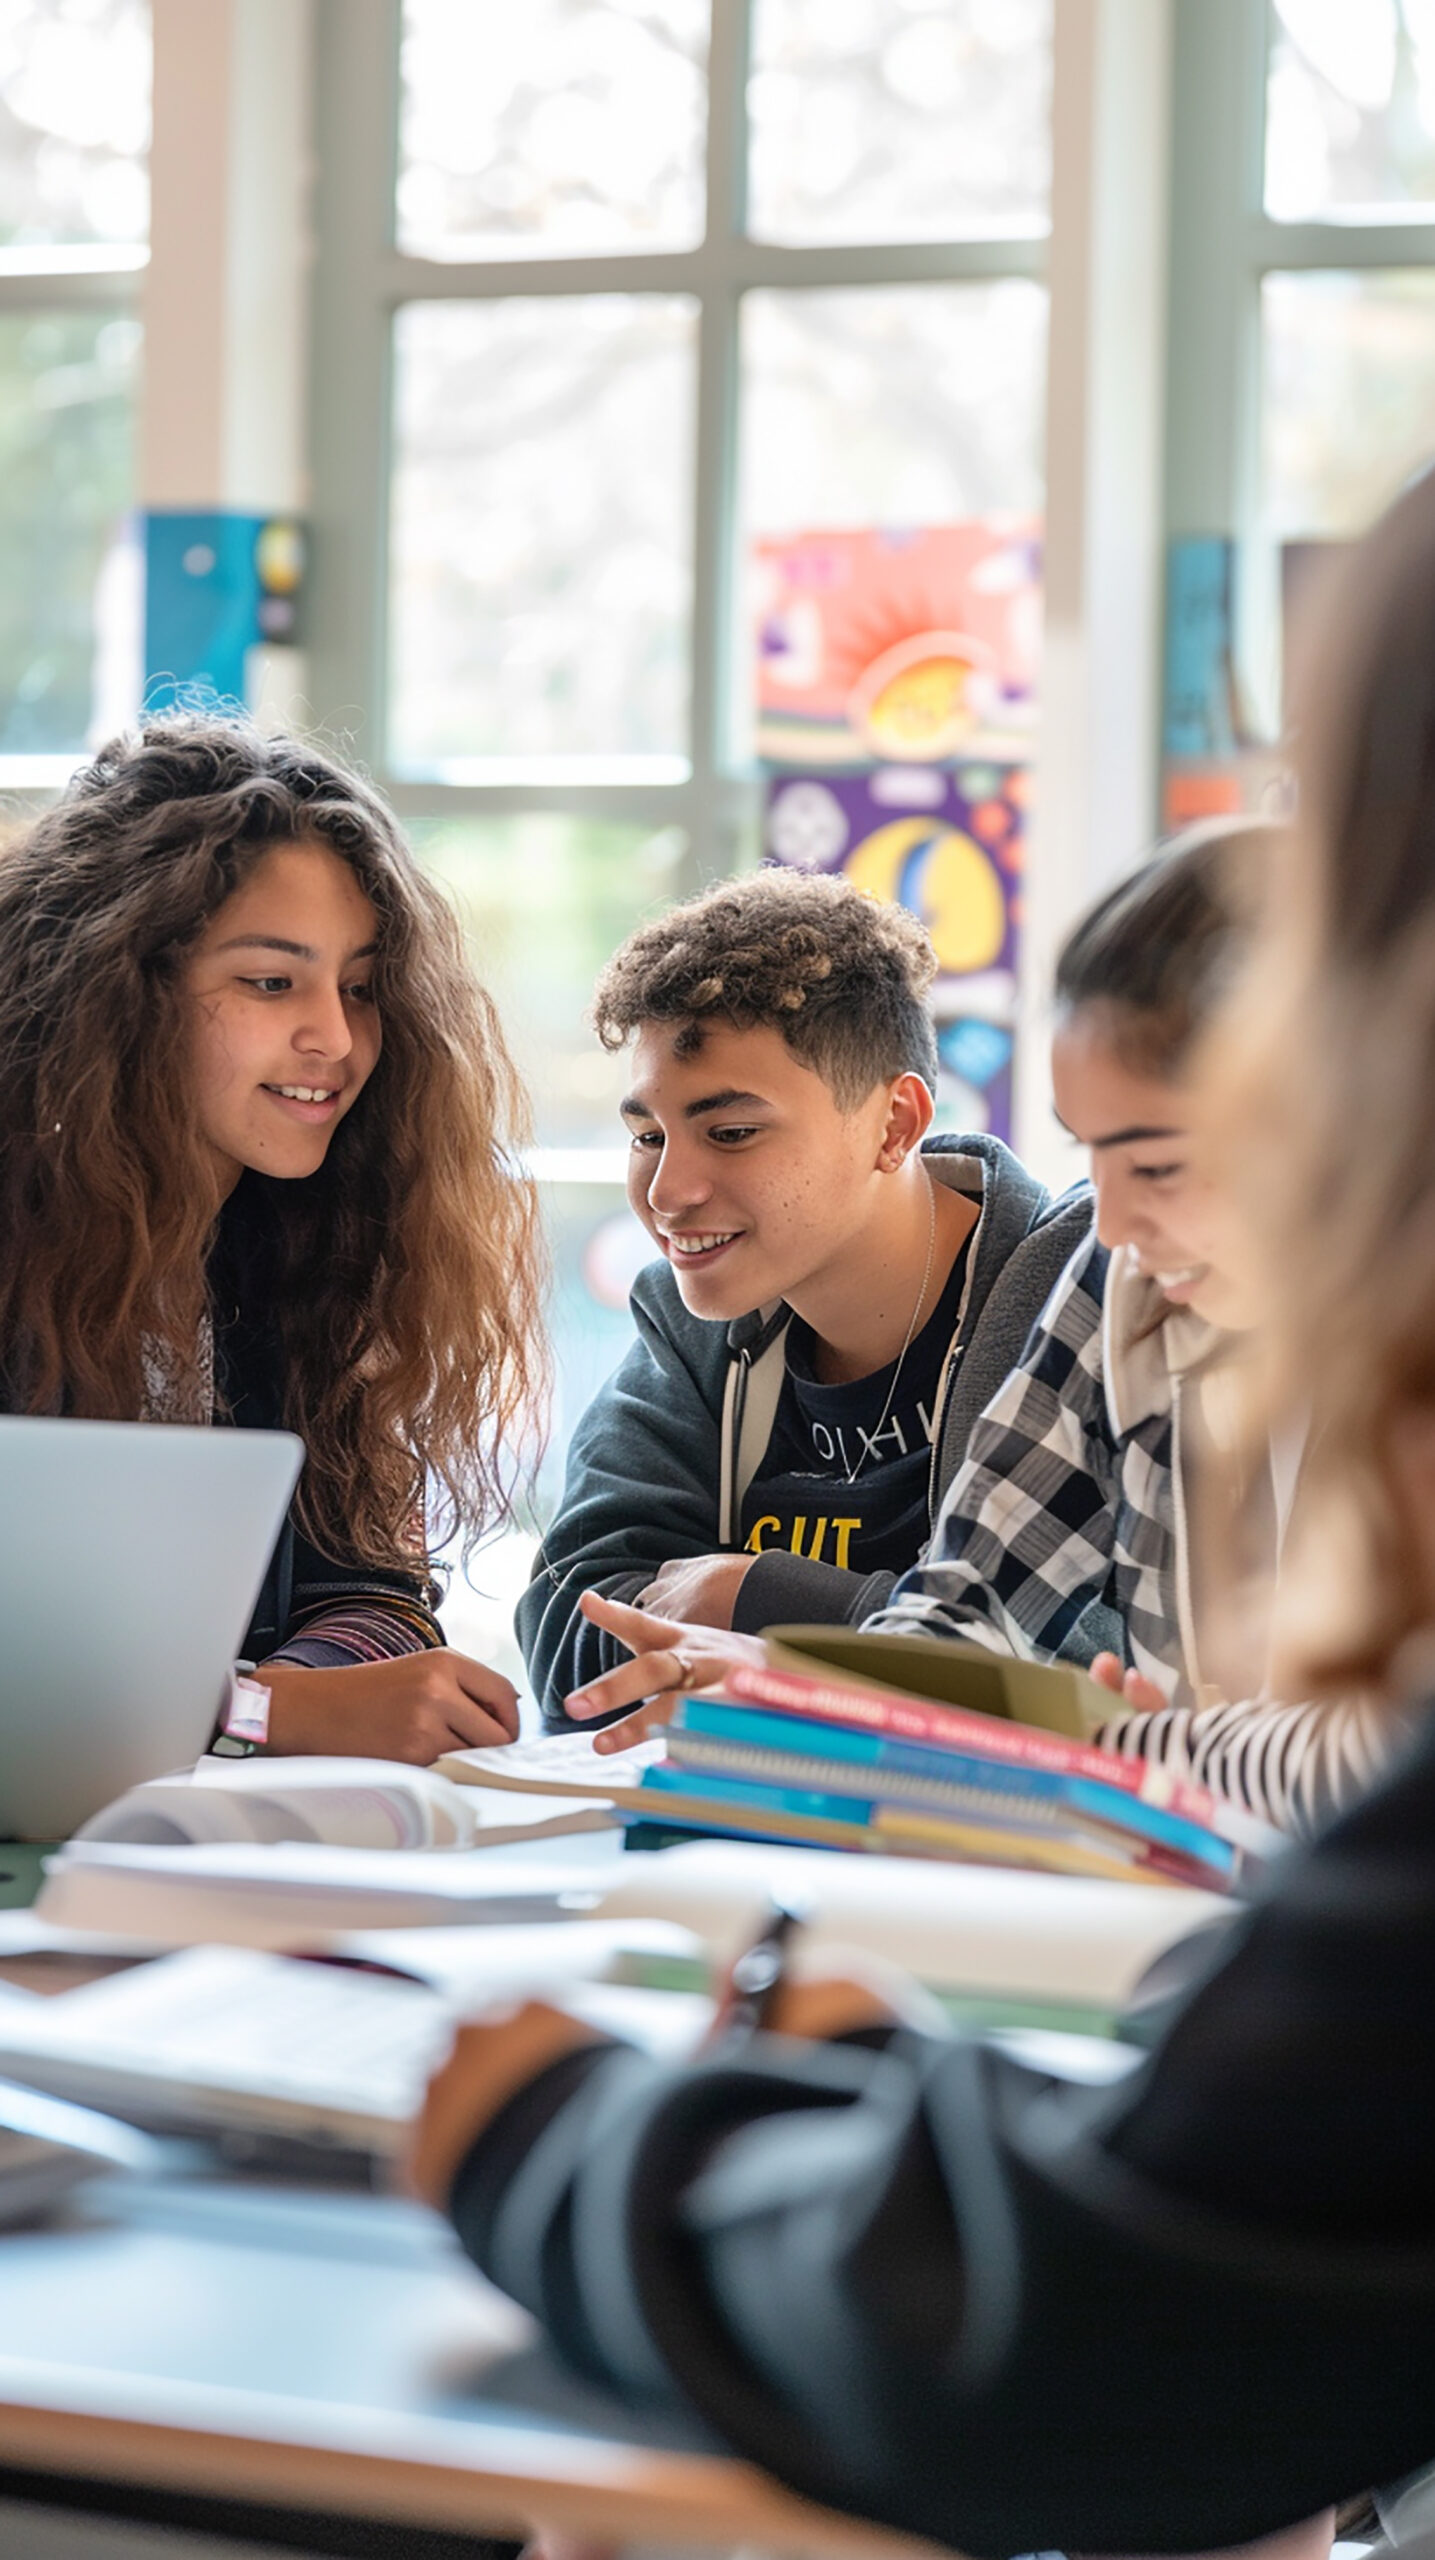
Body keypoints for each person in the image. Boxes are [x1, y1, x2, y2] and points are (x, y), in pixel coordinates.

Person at [408, 468, 1435, 2559]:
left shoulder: (1070, 1268)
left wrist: (568, 2133)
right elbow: (955, 1629)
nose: (678, 1182)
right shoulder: (916, 1302)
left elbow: (1100, 2328)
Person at [559, 828, 1389, 1836]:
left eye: (1160, 1164)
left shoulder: (1078, 1265)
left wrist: (1101, 1745)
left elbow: (1381, 1754)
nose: (1115, 1221)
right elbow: (966, 1616)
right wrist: (805, 1684)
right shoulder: (1124, 1276)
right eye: (1092, 1152)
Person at [0, 713, 543, 1761]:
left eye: (359, 985)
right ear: (115, 993)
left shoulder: (309, 1253)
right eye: (269, 981)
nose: (335, 1039)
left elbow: (376, 1592)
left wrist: (308, 1689)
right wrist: (264, 1715)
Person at [517, 867, 1093, 1725]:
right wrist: (854, 1656)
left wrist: (763, 1598)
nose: (668, 1192)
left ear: (894, 1126)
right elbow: (572, 1638)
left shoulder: (1070, 1303)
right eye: (647, 1135)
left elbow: (1080, 1673)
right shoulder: (689, 1326)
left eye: (733, 1133)